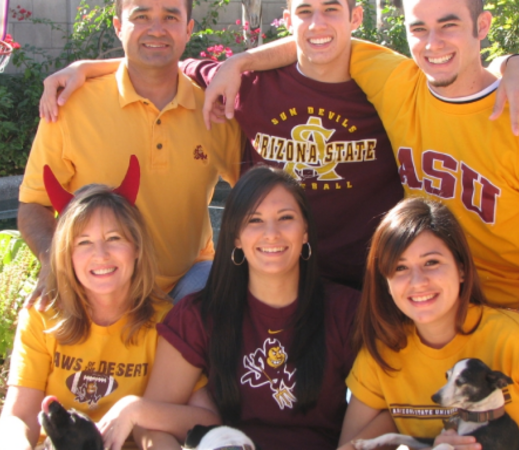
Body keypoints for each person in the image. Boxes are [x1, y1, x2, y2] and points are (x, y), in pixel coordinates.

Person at [38, 0, 519, 291]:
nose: (318, 23)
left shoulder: (389, 80)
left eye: (332, 10)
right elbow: (161, 66)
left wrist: (518, 63)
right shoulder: (248, 86)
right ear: (287, 18)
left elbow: (453, 69)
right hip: (274, 279)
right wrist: (85, 69)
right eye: (305, 10)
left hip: (374, 284)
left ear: (355, 18)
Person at [340, 0, 519, 428]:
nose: (432, 42)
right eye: (418, 28)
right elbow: (317, 41)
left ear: (482, 25)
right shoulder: (399, 83)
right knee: (378, 403)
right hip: (439, 300)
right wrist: (234, 65)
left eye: (449, 24)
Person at [89, 166, 360, 450]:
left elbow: (381, 411)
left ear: (305, 231)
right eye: (254, 220)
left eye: (286, 218)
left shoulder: (347, 311)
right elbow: (150, 427)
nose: (271, 233)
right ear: (235, 237)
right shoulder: (197, 317)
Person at [18, 0, 242, 307]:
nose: (157, 28)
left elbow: (254, 196)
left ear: (188, 29)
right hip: (101, 282)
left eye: (170, 17)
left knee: (222, 310)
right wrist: (50, 261)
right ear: (118, 27)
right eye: (142, 16)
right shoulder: (71, 106)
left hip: (188, 278)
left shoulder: (214, 111)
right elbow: (34, 202)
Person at [338, 198, 519, 450]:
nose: (417, 281)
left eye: (431, 262)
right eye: (400, 268)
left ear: (462, 268)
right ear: (385, 280)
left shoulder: (518, 338)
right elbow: (349, 446)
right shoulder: (382, 353)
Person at [0, 159, 172, 449]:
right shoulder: (42, 316)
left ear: (137, 247)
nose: (100, 254)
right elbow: (19, 417)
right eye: (83, 242)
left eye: (114, 238)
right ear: (64, 254)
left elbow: (200, 415)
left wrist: (136, 409)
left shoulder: (166, 322)